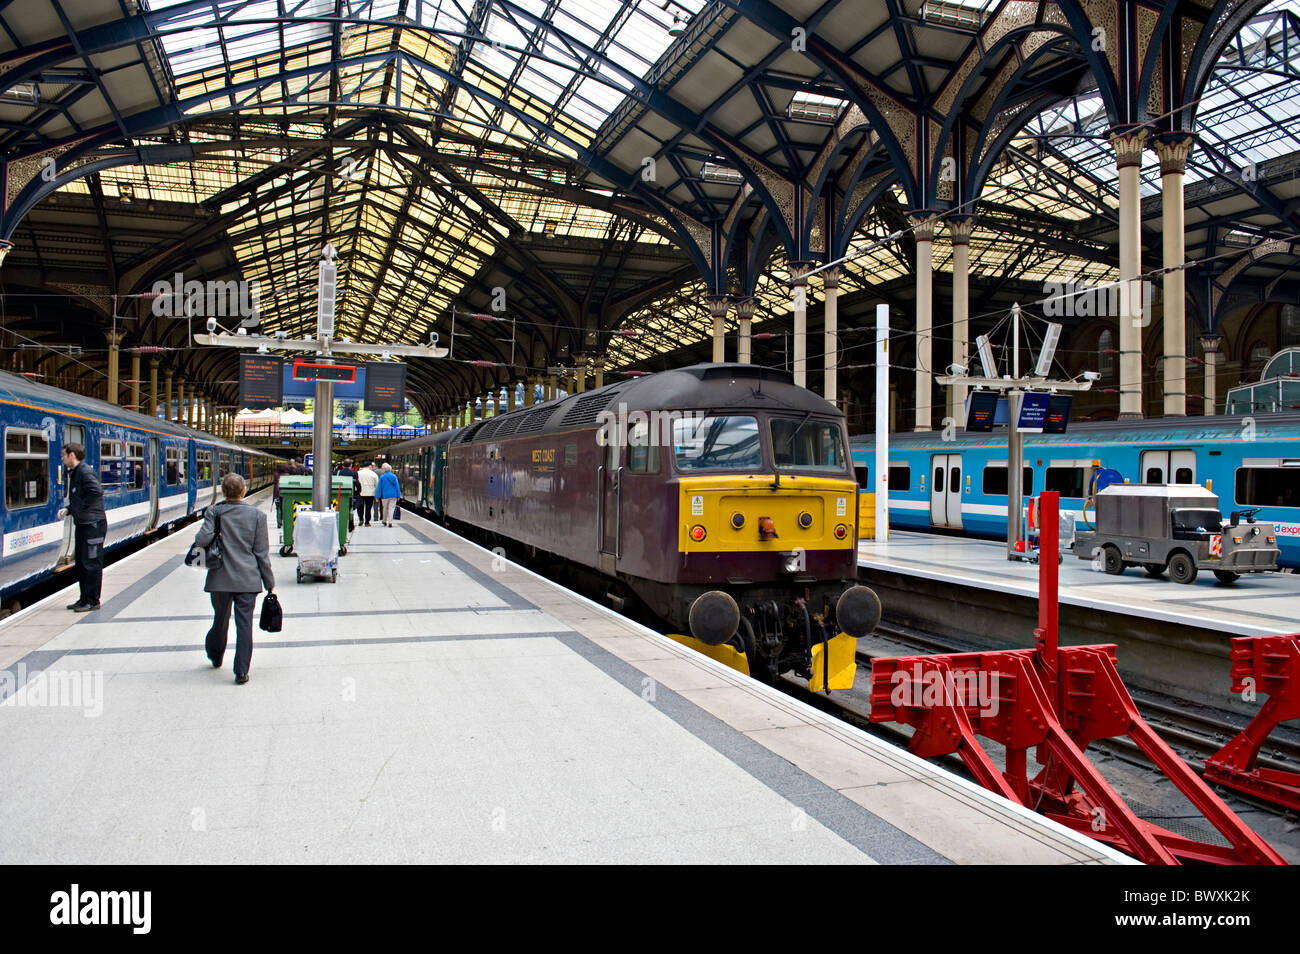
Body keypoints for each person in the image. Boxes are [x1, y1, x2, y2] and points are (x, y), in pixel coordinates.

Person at [194, 473, 275, 685]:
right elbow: (261, 554)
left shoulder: (214, 513)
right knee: (244, 624)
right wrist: (269, 581)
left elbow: (201, 540)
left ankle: (215, 654)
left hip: (219, 579)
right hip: (248, 579)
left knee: (220, 619)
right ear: (244, 491)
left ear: (223, 492)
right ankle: (241, 671)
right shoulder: (258, 516)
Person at [59, 443, 106, 613]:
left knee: (91, 564)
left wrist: (77, 509)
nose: (62, 459)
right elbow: (82, 496)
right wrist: (70, 509)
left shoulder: (84, 472)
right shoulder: (76, 473)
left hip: (93, 525)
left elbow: (96, 491)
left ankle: (93, 601)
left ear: (72, 455)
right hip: (85, 523)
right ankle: (84, 598)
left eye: (64, 455)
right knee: (81, 563)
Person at [336, 458, 359, 532]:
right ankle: (350, 526)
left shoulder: (337, 472)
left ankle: (339, 524)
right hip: (349, 494)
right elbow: (357, 484)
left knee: (339, 509)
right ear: (351, 465)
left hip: (339, 493)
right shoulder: (354, 473)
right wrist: (358, 492)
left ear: (343, 466)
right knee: (350, 510)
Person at [357, 461, 378, 527]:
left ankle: (361, 519)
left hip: (360, 493)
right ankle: (367, 522)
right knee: (368, 508)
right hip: (370, 493)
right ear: (369, 466)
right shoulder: (373, 474)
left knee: (360, 507)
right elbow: (377, 484)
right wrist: (376, 495)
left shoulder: (358, 473)